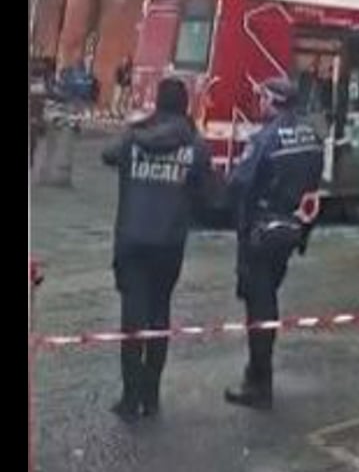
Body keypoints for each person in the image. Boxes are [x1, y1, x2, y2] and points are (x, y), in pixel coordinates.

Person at [99, 77, 210, 421]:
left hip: (132, 240)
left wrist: (139, 125)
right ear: (185, 105)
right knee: (160, 315)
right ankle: (152, 395)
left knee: (132, 319)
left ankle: (130, 397)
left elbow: (107, 154)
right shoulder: (194, 144)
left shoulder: (134, 138)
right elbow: (208, 190)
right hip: (169, 242)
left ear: (158, 103)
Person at [223, 76, 324, 410]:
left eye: (263, 98)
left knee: (260, 306)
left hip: (261, 232)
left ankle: (258, 383)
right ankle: (258, 377)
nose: (259, 103)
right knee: (269, 298)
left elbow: (239, 183)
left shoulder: (264, 138)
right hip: (292, 230)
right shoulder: (311, 135)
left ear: (273, 100)